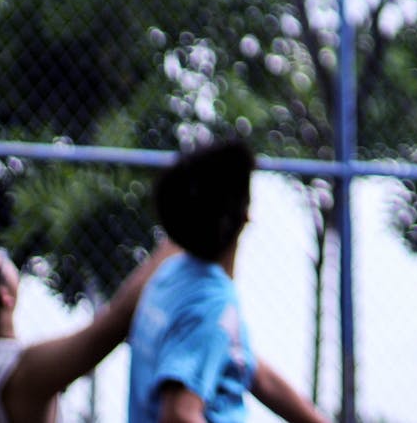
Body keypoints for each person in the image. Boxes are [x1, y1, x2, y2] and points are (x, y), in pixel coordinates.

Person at [126, 140, 325, 423]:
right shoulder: (212, 303)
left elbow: (251, 369)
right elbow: (179, 414)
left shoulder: (171, 275)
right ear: (244, 216)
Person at [0, 227, 175, 423]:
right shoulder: (8, 375)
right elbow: (116, 321)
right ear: (5, 296)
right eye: (0, 260)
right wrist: (174, 243)